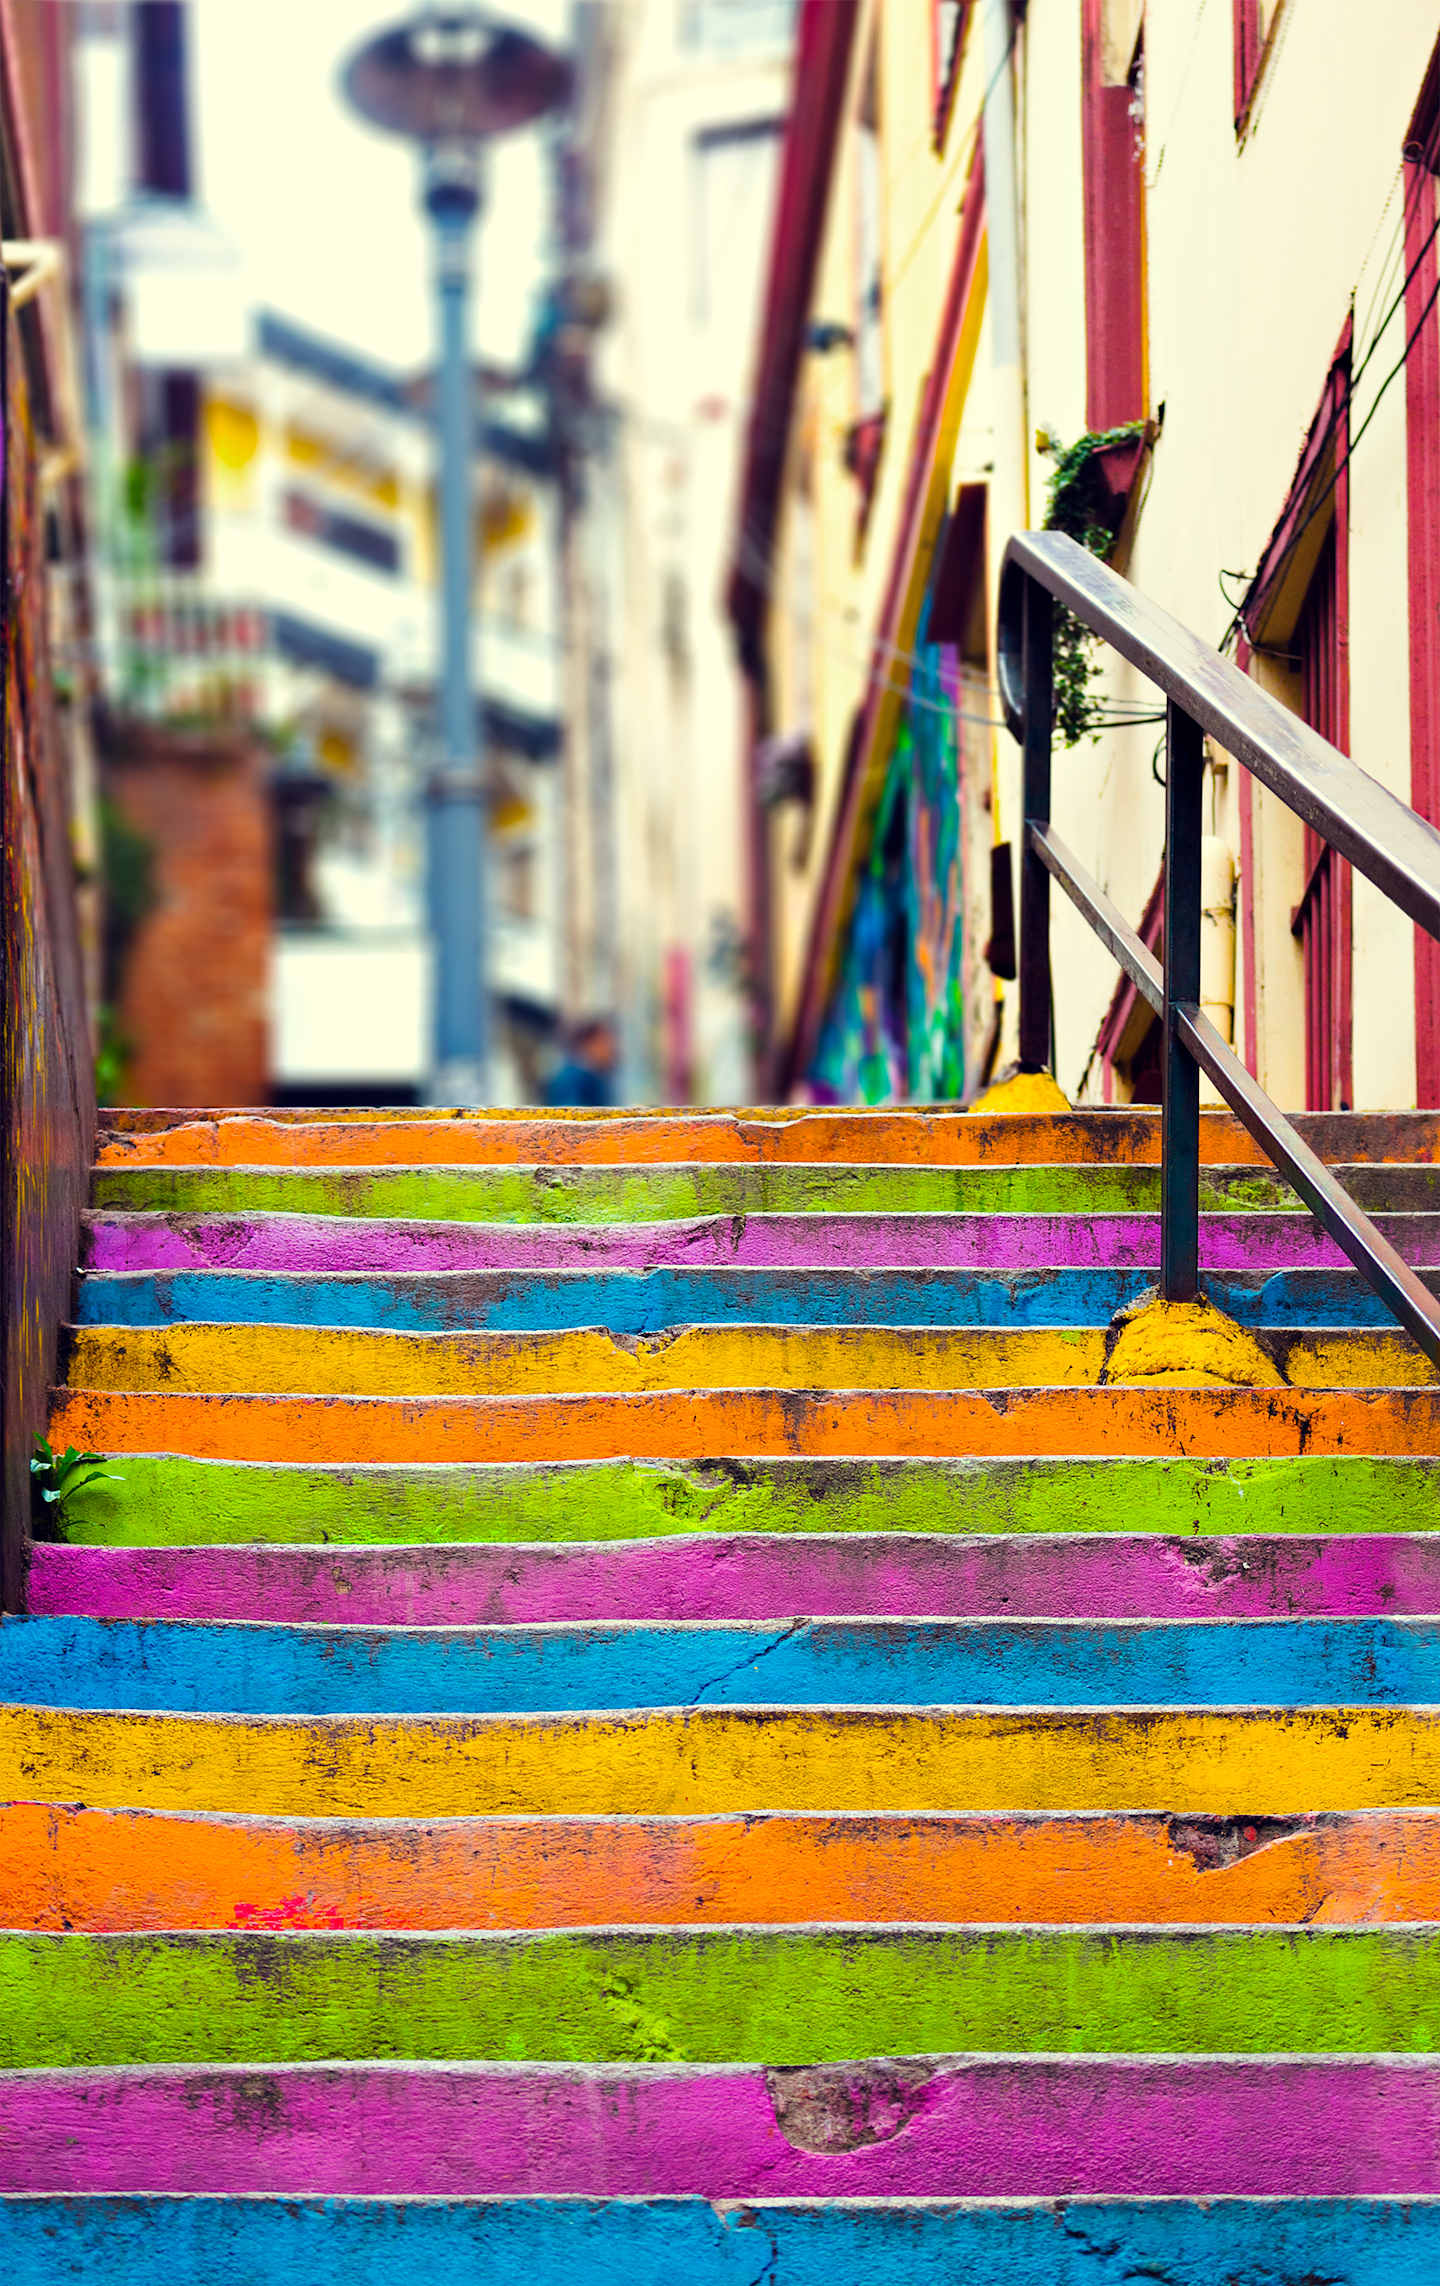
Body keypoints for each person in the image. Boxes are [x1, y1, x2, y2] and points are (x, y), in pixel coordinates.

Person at [544, 1015, 619, 1107]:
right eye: (606, 1043)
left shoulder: (594, 1079)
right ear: (590, 1044)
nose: (612, 1050)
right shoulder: (571, 1080)